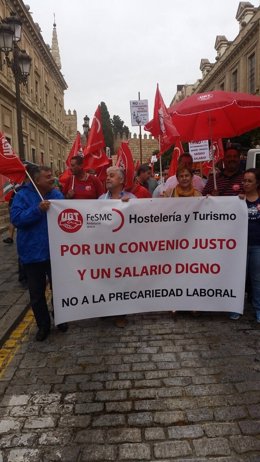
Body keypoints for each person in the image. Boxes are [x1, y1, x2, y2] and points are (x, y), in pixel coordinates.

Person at [10, 166, 67, 341]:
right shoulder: (22, 196)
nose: (52, 179)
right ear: (37, 180)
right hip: (32, 254)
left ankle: (61, 318)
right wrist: (37, 210)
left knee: (59, 289)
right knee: (36, 294)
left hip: (55, 253)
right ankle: (43, 325)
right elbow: (17, 219)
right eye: (48, 177)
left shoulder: (56, 195)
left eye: (52, 176)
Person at [99, 166, 135, 327]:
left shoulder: (131, 198)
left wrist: (131, 207)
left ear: (121, 180)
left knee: (122, 281)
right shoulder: (100, 200)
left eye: (112, 176)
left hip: (124, 250)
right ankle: (106, 308)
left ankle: (121, 313)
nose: (107, 178)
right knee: (106, 279)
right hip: (106, 249)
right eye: (107, 175)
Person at [229, 168, 260, 321]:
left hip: (257, 246)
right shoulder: (238, 200)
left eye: (250, 181)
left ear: (257, 183)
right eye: (244, 181)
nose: (246, 184)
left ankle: (258, 308)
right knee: (238, 277)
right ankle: (236, 307)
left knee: (257, 278)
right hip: (239, 247)